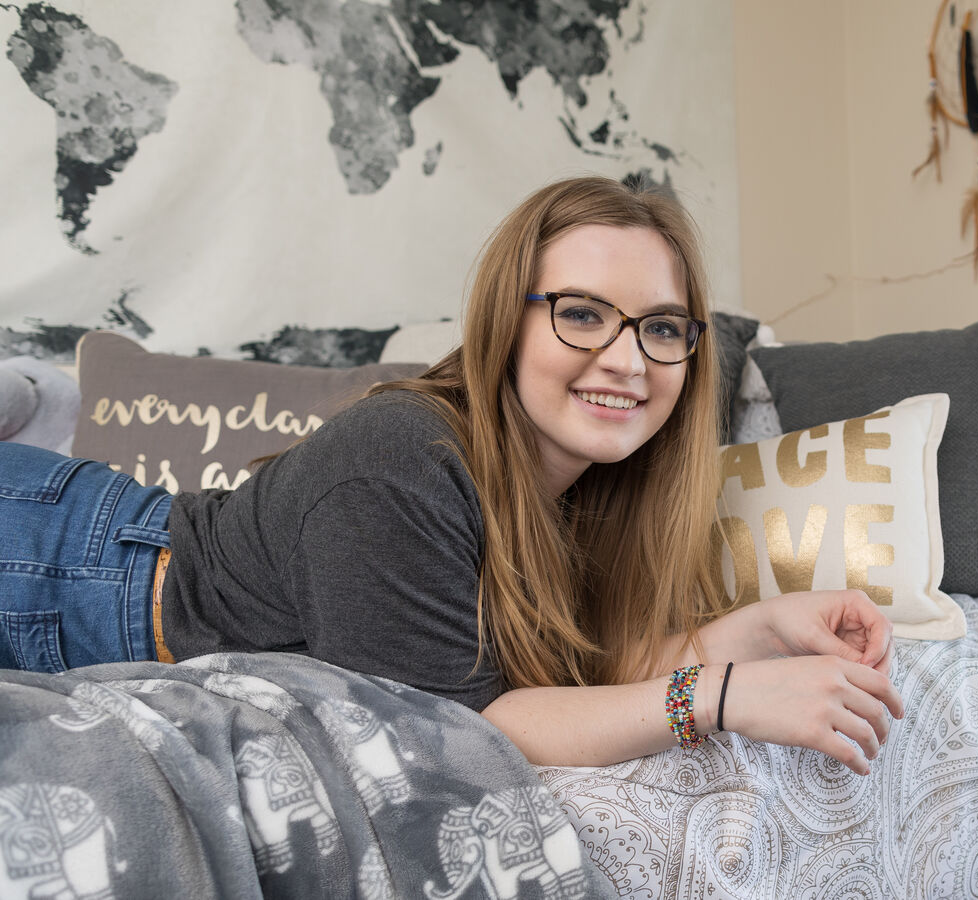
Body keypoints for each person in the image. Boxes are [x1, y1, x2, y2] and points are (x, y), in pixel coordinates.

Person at [0, 176, 903, 776]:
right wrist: (719, 697)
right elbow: (459, 729)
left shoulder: (588, 482)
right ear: (504, 324)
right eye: (584, 314)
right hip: (59, 565)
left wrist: (761, 629)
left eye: (662, 328)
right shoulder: (405, 460)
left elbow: (579, 676)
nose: (628, 359)